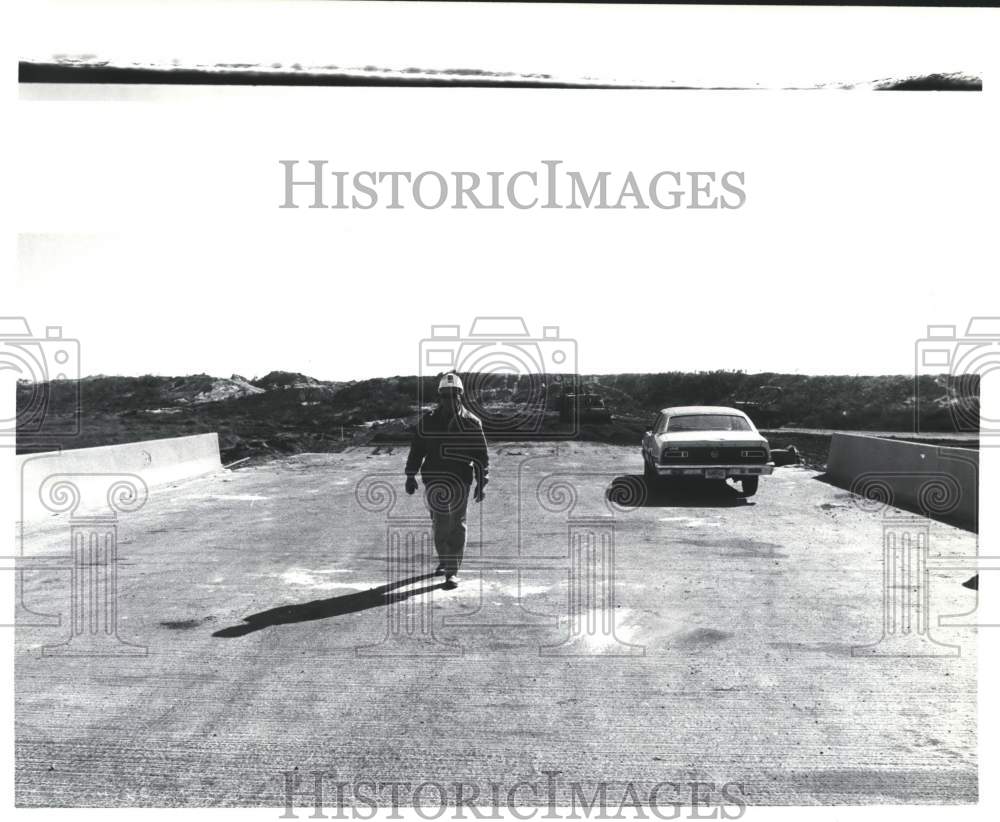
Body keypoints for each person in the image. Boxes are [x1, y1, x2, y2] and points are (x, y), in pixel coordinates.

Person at [404, 373, 489, 589]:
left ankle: (451, 571)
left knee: (457, 523)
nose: (449, 400)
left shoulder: (471, 422)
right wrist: (410, 475)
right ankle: (445, 559)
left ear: (460, 396)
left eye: (453, 395)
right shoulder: (429, 421)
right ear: (439, 397)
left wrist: (482, 481)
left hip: (461, 478)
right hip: (434, 479)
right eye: (445, 396)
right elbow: (417, 450)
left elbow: (481, 456)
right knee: (440, 522)